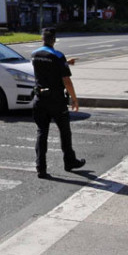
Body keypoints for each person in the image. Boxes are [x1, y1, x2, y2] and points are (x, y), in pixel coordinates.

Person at [31, 27, 85, 179]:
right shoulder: (58, 56)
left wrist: (66, 63)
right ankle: (69, 161)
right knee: (64, 131)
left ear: (42, 39)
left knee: (42, 133)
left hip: (40, 99)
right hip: (56, 100)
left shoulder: (34, 55)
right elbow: (66, 80)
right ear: (54, 40)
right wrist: (74, 99)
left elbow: (46, 68)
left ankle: (41, 168)